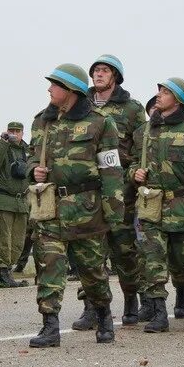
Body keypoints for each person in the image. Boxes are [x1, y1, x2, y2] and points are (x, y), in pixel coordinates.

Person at [26, 64, 124, 348]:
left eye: (54, 85)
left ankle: (104, 317)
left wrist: (113, 211)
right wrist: (34, 170)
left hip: (87, 210)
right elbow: (32, 157)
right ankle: (50, 327)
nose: (49, 89)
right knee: (49, 267)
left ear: (70, 90)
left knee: (92, 271)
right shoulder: (41, 122)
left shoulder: (101, 122)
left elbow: (111, 170)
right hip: (50, 209)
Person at [129, 78, 184, 333]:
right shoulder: (143, 132)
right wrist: (135, 173)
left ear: (178, 100)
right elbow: (132, 162)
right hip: (151, 205)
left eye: (165, 92)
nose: (159, 95)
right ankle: (159, 313)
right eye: (159, 91)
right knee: (152, 261)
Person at [72, 54, 144, 330]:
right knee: (90, 253)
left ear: (115, 76)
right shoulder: (79, 106)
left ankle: (130, 301)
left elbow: (141, 149)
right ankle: (93, 307)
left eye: (104, 71)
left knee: (124, 251)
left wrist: (135, 177)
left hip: (121, 191)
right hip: (87, 193)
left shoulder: (132, 109)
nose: (98, 75)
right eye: (95, 71)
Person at [0, 121, 30, 288]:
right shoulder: (0, 147)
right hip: (2, 200)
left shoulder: (28, 151)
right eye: (12, 131)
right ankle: (1, 272)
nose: (14, 134)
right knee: (2, 238)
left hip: (21, 202)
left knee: (18, 241)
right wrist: (3, 142)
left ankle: (8, 270)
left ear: (23, 133)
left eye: (18, 131)